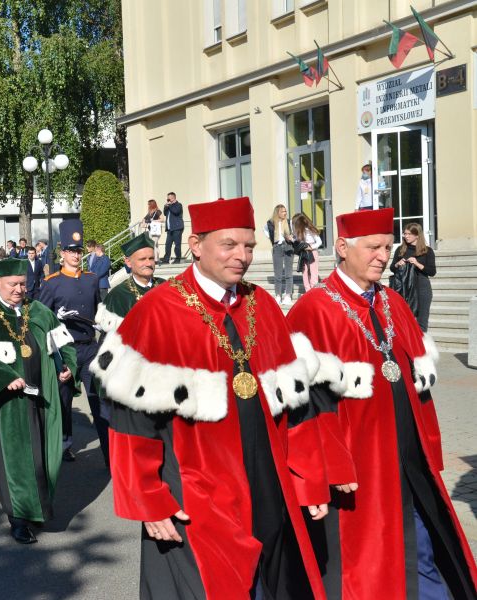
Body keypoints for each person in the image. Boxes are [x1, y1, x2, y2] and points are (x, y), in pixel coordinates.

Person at [91, 196, 329, 598]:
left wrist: (308, 476)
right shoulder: (156, 311)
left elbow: (295, 403)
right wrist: (148, 498)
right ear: (196, 244)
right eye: (230, 245)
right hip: (195, 498)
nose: (243, 256)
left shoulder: (263, 305)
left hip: (267, 488)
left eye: (250, 245)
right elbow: (130, 419)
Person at [287, 208, 477, 598]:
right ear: (342, 247)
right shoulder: (313, 309)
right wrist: (330, 467)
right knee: (369, 566)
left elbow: (417, 386)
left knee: (424, 550)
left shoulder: (392, 300)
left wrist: (430, 447)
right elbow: (305, 407)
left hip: (409, 461)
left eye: (388, 247)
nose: (383, 255)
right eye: (373, 247)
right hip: (359, 467)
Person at [0, 258, 76, 544]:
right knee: (12, 461)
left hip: (39, 396)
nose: (19, 290)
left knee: (39, 457)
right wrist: (3, 377)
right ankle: (17, 519)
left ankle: (37, 510)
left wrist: (68, 365)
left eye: (22, 284)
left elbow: (63, 343)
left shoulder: (39, 311)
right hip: (5, 402)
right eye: (13, 284)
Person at [37, 219, 106, 464]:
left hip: (90, 348)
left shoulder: (91, 279)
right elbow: (41, 320)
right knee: (64, 401)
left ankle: (110, 452)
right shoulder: (51, 282)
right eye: (70, 251)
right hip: (65, 351)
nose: (75, 255)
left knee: (99, 401)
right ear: (62, 253)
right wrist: (56, 318)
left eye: (78, 251)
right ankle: (64, 443)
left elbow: (99, 309)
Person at [94, 234, 164, 338]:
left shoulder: (166, 286)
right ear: (128, 262)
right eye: (142, 259)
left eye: (151, 258)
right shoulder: (117, 296)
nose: (148, 263)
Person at [391, 222, 436, 332]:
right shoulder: (401, 249)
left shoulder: (427, 251)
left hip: (422, 287)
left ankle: (422, 346)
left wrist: (417, 263)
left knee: (422, 322)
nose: (406, 236)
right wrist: (398, 264)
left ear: (417, 235)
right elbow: (393, 267)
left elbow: (432, 271)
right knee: (403, 320)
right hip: (404, 287)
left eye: (409, 234)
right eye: (404, 234)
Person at [265, 204, 296, 305]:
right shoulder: (270, 223)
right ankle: (278, 295)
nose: (285, 213)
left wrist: (291, 238)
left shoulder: (289, 222)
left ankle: (288, 295)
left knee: (288, 273)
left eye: (285, 211)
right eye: (283, 211)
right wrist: (273, 240)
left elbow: (295, 235)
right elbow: (266, 232)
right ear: (277, 212)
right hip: (277, 247)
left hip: (288, 246)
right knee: (278, 274)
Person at [293, 213, 323, 293]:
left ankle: (314, 290)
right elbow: (296, 240)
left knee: (313, 271)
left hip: (312, 252)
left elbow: (319, 242)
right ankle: (307, 290)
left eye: (294, 223)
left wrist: (311, 247)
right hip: (303, 253)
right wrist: (293, 239)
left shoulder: (309, 229)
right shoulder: (297, 231)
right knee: (304, 271)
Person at [161, 191, 185, 264]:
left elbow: (176, 212)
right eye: (167, 199)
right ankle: (166, 259)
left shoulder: (178, 205)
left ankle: (177, 259)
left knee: (177, 244)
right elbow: (165, 213)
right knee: (168, 244)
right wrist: (165, 206)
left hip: (177, 228)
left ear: (173, 198)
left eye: (169, 198)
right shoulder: (169, 206)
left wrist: (170, 205)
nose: (168, 200)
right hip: (169, 229)